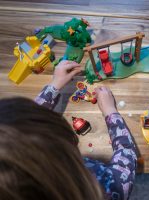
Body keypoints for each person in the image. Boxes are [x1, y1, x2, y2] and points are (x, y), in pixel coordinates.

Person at [0, 60, 137, 200]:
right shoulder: (110, 189)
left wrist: (54, 85)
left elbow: (24, 123)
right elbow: (127, 153)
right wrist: (110, 112)